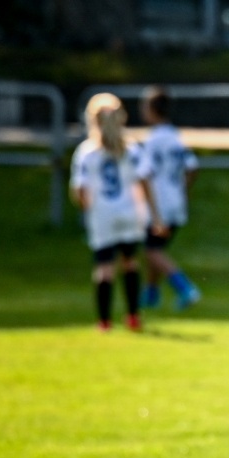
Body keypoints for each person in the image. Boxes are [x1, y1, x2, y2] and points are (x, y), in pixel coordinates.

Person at [71, 93, 163, 333]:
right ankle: (133, 316)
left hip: (103, 214)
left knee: (104, 267)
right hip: (130, 212)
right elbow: (145, 181)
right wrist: (155, 215)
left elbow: (79, 189)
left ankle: (104, 321)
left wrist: (88, 208)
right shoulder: (131, 149)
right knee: (130, 262)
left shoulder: (87, 152)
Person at [132, 87, 202, 311]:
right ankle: (151, 294)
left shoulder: (153, 141)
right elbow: (193, 167)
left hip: (159, 203)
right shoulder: (175, 137)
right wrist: (183, 191)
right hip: (175, 201)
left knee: (152, 251)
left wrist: (152, 211)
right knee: (156, 248)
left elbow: (144, 175)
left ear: (152, 110)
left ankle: (185, 288)